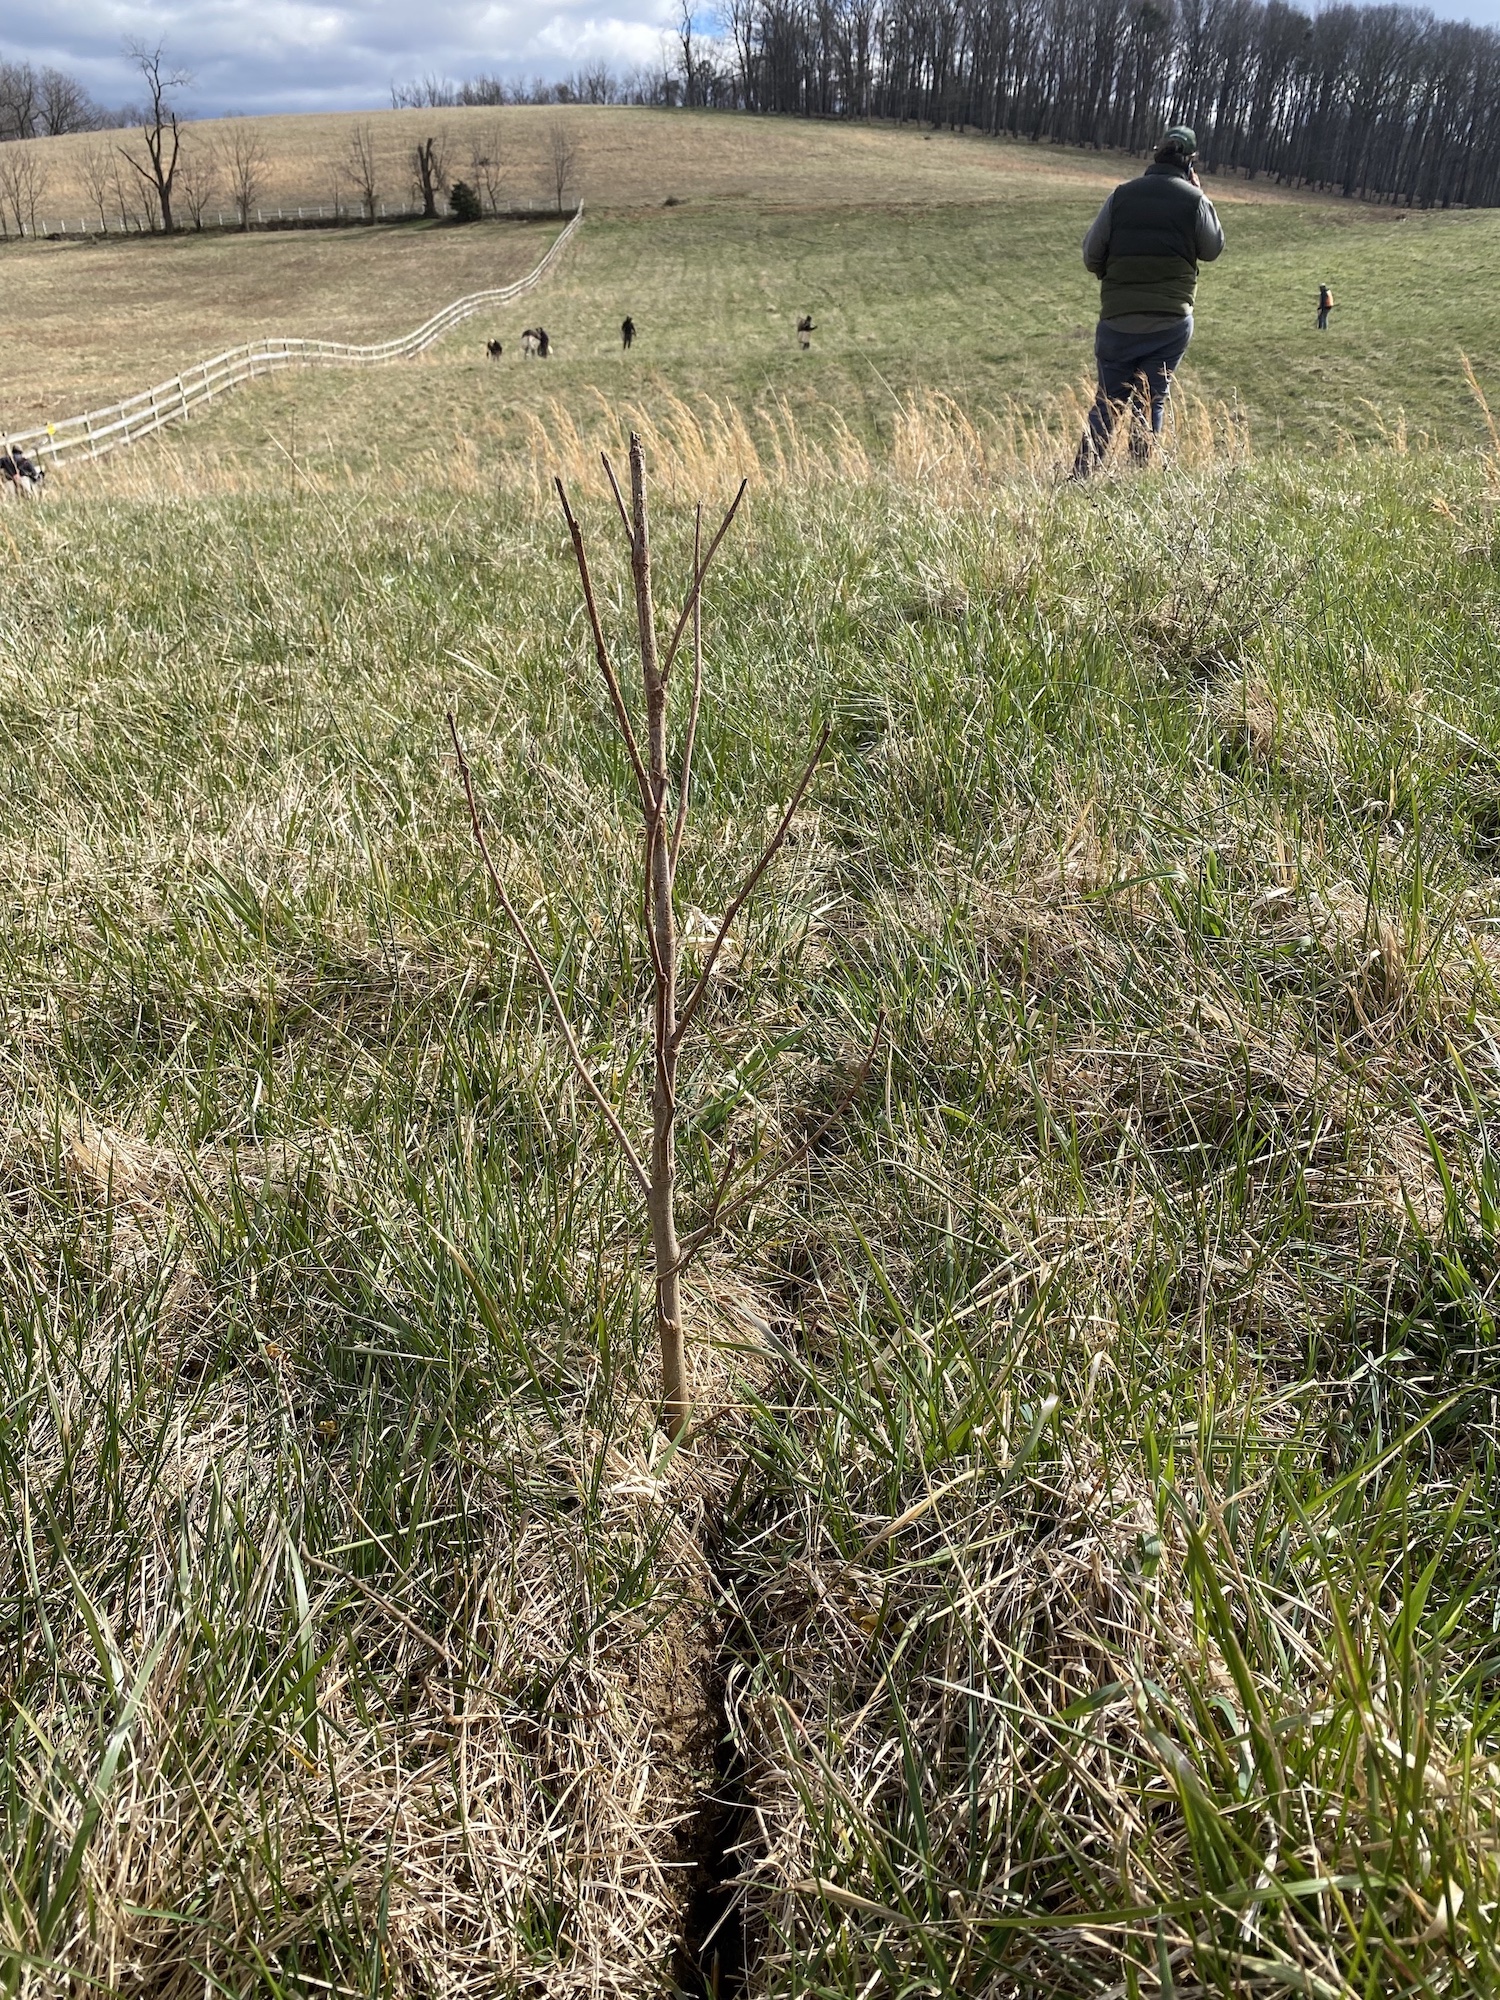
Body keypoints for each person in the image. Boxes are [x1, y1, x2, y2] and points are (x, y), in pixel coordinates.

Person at [1071, 125, 1224, 477]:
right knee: (1150, 400)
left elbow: (1091, 255)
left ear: (1155, 155)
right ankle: (1138, 477)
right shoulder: (1194, 200)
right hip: (1170, 322)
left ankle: (1081, 476)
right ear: (1190, 163)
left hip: (1118, 321)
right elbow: (1213, 249)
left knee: (1108, 403)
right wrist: (1201, 195)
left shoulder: (1121, 196)